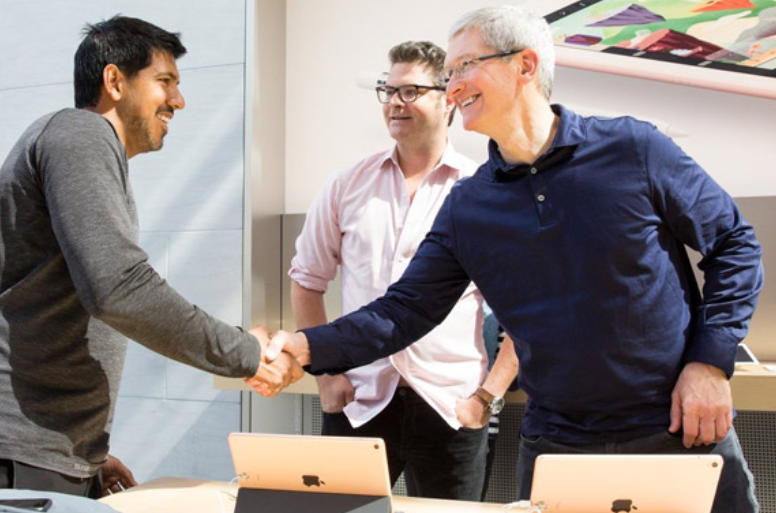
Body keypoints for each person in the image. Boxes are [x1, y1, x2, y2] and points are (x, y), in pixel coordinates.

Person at [263, 6, 764, 512]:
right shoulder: (468, 206)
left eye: (464, 67)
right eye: (449, 74)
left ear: (525, 65)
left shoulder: (635, 149)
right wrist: (302, 348)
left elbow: (735, 245)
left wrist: (709, 364)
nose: (452, 87)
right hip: (559, 446)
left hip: (681, 428)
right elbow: (401, 312)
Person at [0, 16, 301, 499]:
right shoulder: (80, 133)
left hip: (51, 452)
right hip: (24, 455)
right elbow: (118, 287)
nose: (178, 101)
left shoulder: (79, 146)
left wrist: (88, 457)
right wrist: (245, 352)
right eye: (165, 82)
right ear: (114, 81)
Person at [287, 40, 517, 501]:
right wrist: (328, 377)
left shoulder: (481, 192)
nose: (394, 102)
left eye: (410, 91)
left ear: (447, 97)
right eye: (388, 90)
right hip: (359, 398)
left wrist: (485, 398)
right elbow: (307, 281)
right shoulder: (346, 184)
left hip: (451, 404)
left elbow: (523, 311)